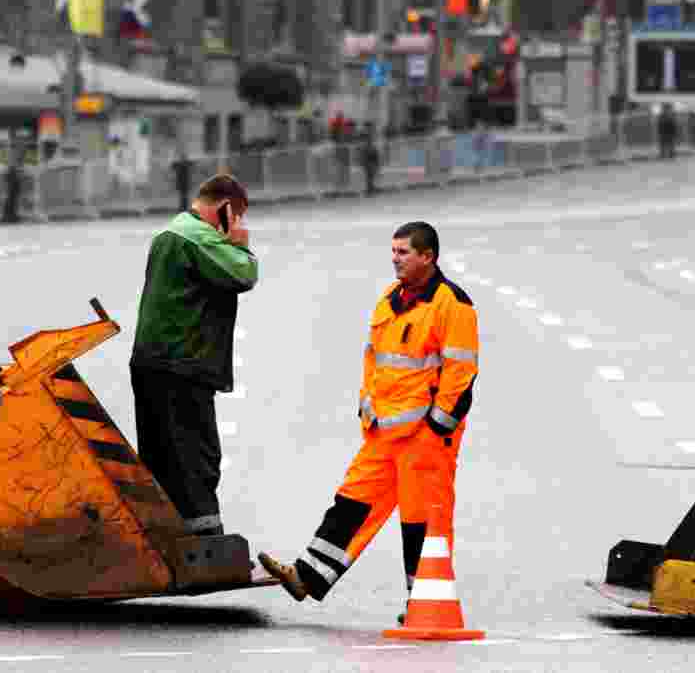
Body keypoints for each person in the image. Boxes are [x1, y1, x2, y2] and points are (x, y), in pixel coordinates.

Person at [258, 221, 479, 621]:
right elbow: (372, 358)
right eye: (393, 251)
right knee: (351, 502)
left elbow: (460, 375)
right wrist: (367, 405)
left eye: (403, 252)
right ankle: (306, 577)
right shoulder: (389, 299)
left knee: (422, 521)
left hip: (425, 438)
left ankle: (425, 605)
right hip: (383, 432)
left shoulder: (453, 305)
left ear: (428, 256)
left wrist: (437, 429)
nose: (394, 259)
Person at [130, 174, 258, 537]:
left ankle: (165, 539)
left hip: (154, 361)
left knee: (162, 458)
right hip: (181, 364)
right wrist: (240, 246)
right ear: (225, 209)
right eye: (239, 217)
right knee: (196, 458)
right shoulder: (197, 236)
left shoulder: (173, 231)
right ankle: (205, 544)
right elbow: (244, 274)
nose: (239, 226)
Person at [360, 127, 381, 196]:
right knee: (369, 176)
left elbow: (376, 154)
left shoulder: (371, 146)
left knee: (371, 176)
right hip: (368, 162)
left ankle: (370, 188)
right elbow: (364, 155)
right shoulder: (365, 146)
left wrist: (377, 163)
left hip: (371, 162)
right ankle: (369, 188)